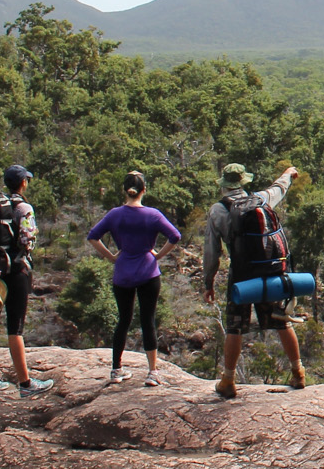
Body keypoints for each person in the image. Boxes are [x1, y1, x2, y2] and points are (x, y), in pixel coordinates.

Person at [202, 162, 304, 400]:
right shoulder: (261, 199)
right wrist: (288, 173)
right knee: (281, 321)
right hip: (269, 272)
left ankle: (228, 380)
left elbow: (211, 252)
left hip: (241, 275)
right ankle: (298, 373)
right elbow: (279, 188)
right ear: (243, 182)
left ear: (224, 185)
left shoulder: (217, 211)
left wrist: (208, 282)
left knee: (234, 326)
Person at [86, 170, 182, 386]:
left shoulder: (115, 215)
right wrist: (158, 255)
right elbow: (175, 236)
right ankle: (152, 373)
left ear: (125, 190)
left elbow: (93, 236)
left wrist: (112, 256)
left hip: (123, 272)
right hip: (148, 271)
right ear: (144, 190)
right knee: (148, 321)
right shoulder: (153, 215)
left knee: (123, 320)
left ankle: (116, 369)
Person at [0, 164, 53, 397]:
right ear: (23, 182)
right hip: (16, 271)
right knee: (15, 328)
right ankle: (25, 384)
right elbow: (27, 240)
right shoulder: (23, 207)